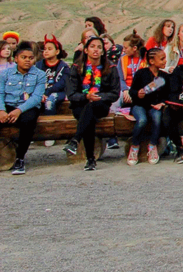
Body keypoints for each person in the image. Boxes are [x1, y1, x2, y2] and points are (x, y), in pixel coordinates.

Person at [64, 37, 121, 171]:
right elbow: (71, 94)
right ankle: (90, 160)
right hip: (80, 104)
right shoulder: (77, 67)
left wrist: (98, 96)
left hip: (100, 105)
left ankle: (76, 141)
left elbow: (114, 93)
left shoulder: (111, 67)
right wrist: (86, 96)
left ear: (102, 51)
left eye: (99, 47)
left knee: (90, 109)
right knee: (87, 114)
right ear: (86, 50)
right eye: (92, 46)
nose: (96, 50)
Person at [0, 42, 46, 175]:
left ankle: (19, 159)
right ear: (16, 59)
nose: (27, 60)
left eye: (30, 58)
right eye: (23, 57)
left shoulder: (40, 75)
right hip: (7, 106)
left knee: (28, 121)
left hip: (27, 107)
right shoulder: (4, 74)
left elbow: (36, 98)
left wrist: (19, 110)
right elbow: (0, 93)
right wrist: (2, 111)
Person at [126, 47, 169, 166]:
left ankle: (152, 145)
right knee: (142, 120)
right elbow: (132, 91)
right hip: (139, 105)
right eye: (162, 59)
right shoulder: (141, 73)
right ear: (152, 61)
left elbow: (167, 94)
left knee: (157, 118)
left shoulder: (164, 76)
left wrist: (162, 103)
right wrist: (137, 94)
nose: (165, 61)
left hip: (155, 107)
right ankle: (134, 146)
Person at [38, 35, 69, 115]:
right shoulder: (38, 65)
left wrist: (46, 93)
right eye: (44, 49)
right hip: (41, 92)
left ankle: (50, 125)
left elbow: (61, 84)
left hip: (58, 92)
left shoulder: (64, 67)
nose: (46, 51)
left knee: (50, 101)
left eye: (49, 49)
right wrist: (41, 93)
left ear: (57, 51)